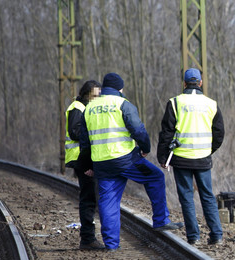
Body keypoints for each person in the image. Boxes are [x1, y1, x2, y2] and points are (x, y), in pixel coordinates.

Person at [78, 72, 182, 250]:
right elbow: (138, 129)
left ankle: (111, 244)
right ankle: (160, 220)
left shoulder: (89, 108)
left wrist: (88, 165)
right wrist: (145, 147)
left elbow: (84, 142)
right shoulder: (122, 104)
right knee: (155, 177)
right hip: (125, 159)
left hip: (102, 163)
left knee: (108, 201)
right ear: (119, 88)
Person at [158, 68, 225, 246]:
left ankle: (193, 237)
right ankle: (217, 235)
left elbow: (166, 132)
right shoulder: (212, 104)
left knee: (187, 197)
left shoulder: (175, 103)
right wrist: (209, 149)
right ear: (200, 83)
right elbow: (219, 133)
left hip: (181, 158)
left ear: (184, 84)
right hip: (203, 158)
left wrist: (163, 157)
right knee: (207, 196)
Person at [65, 80, 105, 250]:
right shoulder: (77, 108)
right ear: (86, 94)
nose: (97, 99)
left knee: (91, 198)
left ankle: (89, 237)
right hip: (81, 159)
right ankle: (87, 238)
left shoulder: (86, 108)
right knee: (88, 199)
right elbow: (74, 132)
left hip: (86, 158)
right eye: (95, 96)